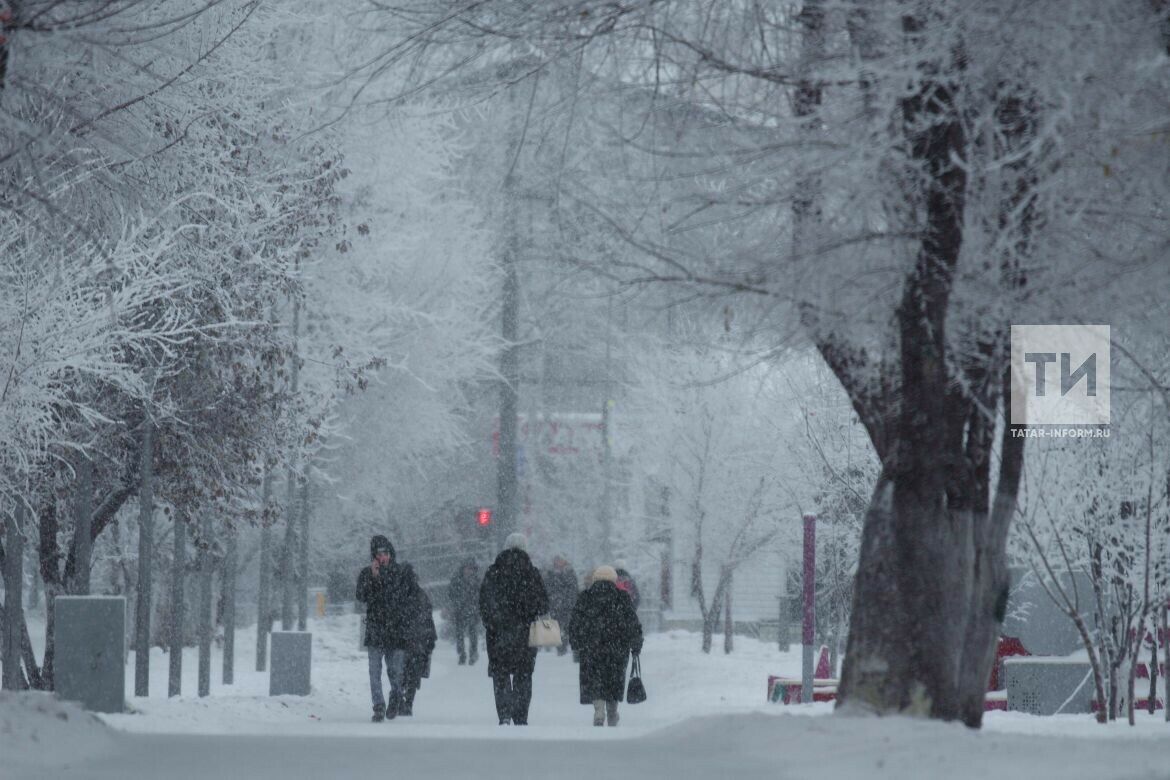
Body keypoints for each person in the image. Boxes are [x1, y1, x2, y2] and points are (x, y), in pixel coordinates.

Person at [478, 532, 549, 725]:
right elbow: (543, 604)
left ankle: (504, 715)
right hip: (525, 633)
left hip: (498, 632)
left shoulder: (494, 571)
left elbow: (484, 601)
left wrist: (492, 621)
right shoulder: (531, 573)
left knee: (500, 674)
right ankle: (520, 716)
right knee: (523, 675)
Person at [569, 565, 643, 727]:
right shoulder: (622, 598)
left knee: (595, 679)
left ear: (595, 579)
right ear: (614, 579)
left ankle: (598, 711)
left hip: (591, 648)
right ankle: (612, 711)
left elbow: (575, 623)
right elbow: (633, 623)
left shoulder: (586, 597)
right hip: (617, 648)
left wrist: (576, 642)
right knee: (613, 680)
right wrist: (636, 644)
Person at [355, 534, 415, 722]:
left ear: (391, 554)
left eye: (386, 553)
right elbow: (361, 596)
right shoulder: (367, 574)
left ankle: (396, 696)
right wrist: (373, 577)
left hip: (395, 631)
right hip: (375, 630)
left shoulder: (400, 573)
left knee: (394, 671)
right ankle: (378, 705)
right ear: (374, 556)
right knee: (374, 671)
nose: (383, 557)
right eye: (379, 554)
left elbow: (403, 598)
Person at [400, 564, 437, 717]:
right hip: (418, 642)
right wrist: (430, 639)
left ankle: (400, 700)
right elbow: (428, 618)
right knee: (413, 675)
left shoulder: (397, 593)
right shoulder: (421, 594)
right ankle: (408, 702)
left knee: (400, 673)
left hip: (401, 642)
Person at [543, 555, 579, 656]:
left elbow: (573, 589)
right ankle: (560, 647)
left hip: (567, 606)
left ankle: (564, 646)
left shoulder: (570, 573)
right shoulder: (550, 573)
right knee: (557, 626)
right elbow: (547, 588)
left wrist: (568, 600)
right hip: (555, 605)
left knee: (566, 626)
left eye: (560, 560)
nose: (558, 562)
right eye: (557, 560)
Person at [447, 557, 480, 665]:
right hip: (460, 611)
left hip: (473, 611)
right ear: (463, 568)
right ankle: (462, 654)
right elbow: (451, 594)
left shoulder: (476, 580)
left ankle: (473, 653)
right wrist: (457, 604)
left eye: (471, 568)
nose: (469, 571)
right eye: (467, 568)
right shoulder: (456, 580)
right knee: (460, 635)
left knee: (473, 633)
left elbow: (481, 595)